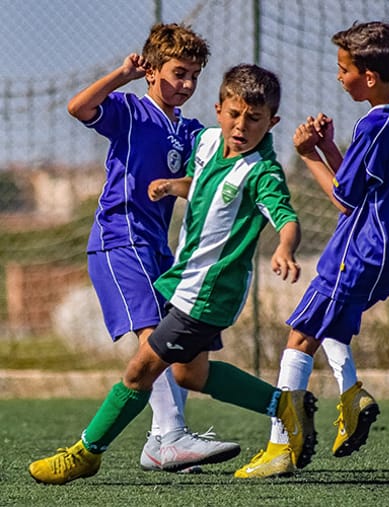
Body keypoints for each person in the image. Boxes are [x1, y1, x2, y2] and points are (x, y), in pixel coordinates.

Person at [28, 63, 318, 485]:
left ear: (271, 121)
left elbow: (285, 217)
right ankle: (285, 405)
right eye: (234, 114)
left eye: (254, 119)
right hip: (183, 284)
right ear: (219, 109)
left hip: (207, 295)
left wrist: (285, 248)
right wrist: (172, 186)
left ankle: (87, 452)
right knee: (190, 373)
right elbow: (201, 183)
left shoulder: (261, 171)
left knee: (139, 371)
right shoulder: (208, 143)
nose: (242, 126)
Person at [235, 21, 389, 478]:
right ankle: (352, 395)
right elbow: (365, 184)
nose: (339, 77)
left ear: (369, 77)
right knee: (332, 321)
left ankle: (280, 448)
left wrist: (305, 153)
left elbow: (344, 198)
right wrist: (328, 146)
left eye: (344, 70)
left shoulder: (374, 125)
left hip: (363, 250)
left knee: (300, 334)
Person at [65, 22, 240, 473]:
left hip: (158, 249)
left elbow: (205, 182)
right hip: (120, 239)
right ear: (152, 71)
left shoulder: (193, 131)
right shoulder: (128, 111)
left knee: (176, 344)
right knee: (155, 337)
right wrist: (120, 74)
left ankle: (161, 439)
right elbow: (78, 106)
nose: (185, 84)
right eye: (178, 73)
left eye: (194, 76)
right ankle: (171, 436)